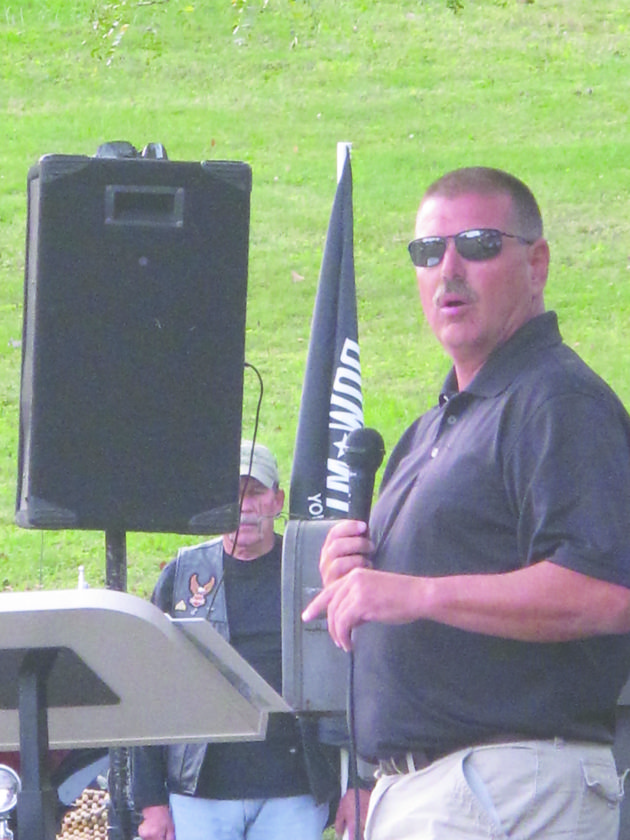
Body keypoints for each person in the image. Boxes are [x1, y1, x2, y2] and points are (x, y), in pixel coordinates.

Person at [303, 166, 630, 840]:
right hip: (421, 790)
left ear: (536, 264)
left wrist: (415, 594)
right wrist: (360, 571)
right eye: (428, 251)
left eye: (478, 245)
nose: (448, 270)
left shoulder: (557, 401)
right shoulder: (432, 428)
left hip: (509, 785)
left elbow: (604, 591)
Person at [133, 440, 367, 840]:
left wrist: (357, 785)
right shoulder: (182, 576)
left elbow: (351, 678)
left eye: (255, 492)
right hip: (199, 796)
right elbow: (150, 688)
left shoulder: (314, 571)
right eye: (232, 493)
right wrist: (151, 801)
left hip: (295, 793)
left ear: (278, 500)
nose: (244, 506)